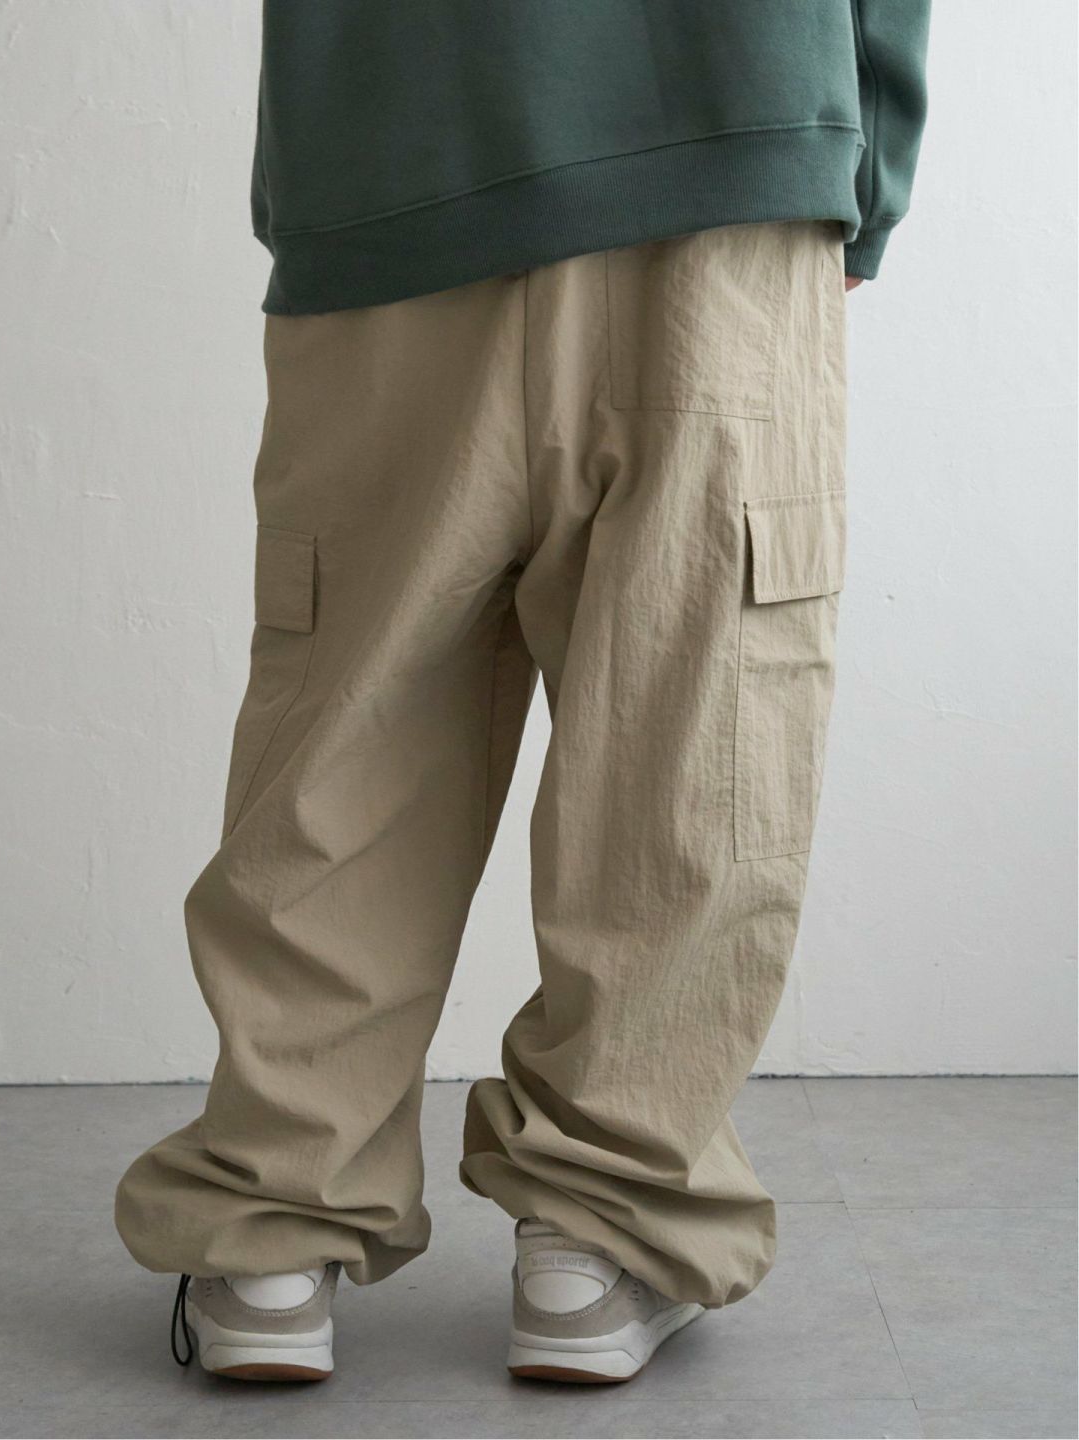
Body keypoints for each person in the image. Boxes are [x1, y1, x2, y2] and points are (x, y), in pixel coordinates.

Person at [116, 0, 930, 1384]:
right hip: (732, 133)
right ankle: (599, 1238)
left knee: (350, 732)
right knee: (695, 740)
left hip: (396, 156)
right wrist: (870, 160)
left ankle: (272, 1233)